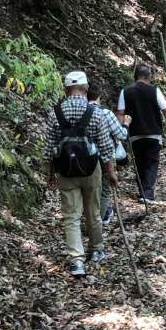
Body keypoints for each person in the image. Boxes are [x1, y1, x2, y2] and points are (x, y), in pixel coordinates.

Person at [44, 71, 118, 278]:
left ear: (66, 90)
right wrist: (110, 172)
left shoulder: (56, 112)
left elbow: (49, 148)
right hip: (91, 169)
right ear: (86, 89)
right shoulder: (94, 112)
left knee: (71, 215)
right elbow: (104, 145)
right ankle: (96, 250)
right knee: (92, 211)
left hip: (65, 171)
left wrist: (50, 174)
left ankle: (76, 260)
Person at [117, 64, 166, 205]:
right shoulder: (154, 90)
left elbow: (120, 113)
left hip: (134, 133)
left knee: (139, 161)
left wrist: (121, 131)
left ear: (135, 76)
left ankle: (142, 192)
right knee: (151, 163)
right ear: (148, 77)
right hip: (153, 133)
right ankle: (147, 194)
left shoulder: (125, 91)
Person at [88, 82, 130, 226]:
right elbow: (121, 134)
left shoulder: (80, 111)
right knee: (105, 189)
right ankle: (98, 221)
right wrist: (126, 124)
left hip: (85, 157)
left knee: (89, 189)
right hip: (105, 155)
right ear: (99, 96)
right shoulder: (105, 112)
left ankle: (93, 217)